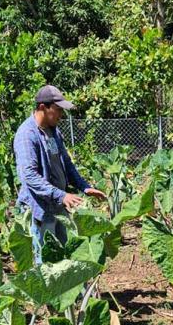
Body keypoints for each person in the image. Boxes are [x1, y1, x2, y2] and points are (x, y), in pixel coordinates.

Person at [13, 85, 106, 264]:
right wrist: (61, 195)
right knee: (46, 263)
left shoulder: (54, 131)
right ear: (43, 107)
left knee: (64, 258)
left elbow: (67, 164)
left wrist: (84, 187)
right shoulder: (27, 135)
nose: (61, 115)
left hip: (57, 207)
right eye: (58, 110)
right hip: (40, 210)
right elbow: (29, 176)